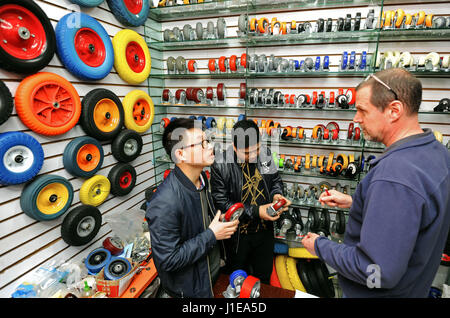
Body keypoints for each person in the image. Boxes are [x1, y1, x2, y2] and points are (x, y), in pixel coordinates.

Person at [302, 68, 450, 297]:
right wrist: (360, 201)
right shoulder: (436, 152)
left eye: (362, 110)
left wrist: (320, 247)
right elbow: (414, 211)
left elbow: (377, 272)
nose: (355, 118)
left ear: (394, 110)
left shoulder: (395, 176)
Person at [145, 118, 239, 298]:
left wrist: (221, 226)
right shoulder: (164, 202)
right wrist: (212, 234)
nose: (211, 147)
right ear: (180, 154)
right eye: (202, 144)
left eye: (208, 141)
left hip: (211, 277)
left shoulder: (202, 179)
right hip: (190, 291)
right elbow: (169, 260)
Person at [210, 119, 291, 284]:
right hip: (237, 238)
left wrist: (277, 195)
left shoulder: (265, 154)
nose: (253, 156)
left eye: (256, 150)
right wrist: (256, 211)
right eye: (247, 153)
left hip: (264, 234)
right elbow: (221, 203)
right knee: (237, 282)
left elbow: (275, 181)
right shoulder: (220, 164)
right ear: (234, 147)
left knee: (263, 280)